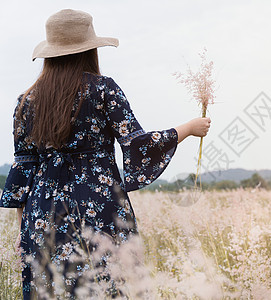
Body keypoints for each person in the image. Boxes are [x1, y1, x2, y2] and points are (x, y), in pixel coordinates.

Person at [0, 9, 211, 299]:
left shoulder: (27, 100)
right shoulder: (103, 90)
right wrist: (188, 128)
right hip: (101, 212)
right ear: (89, 50)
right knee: (108, 288)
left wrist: (24, 232)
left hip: (42, 217)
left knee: (49, 291)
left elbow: (23, 172)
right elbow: (138, 145)